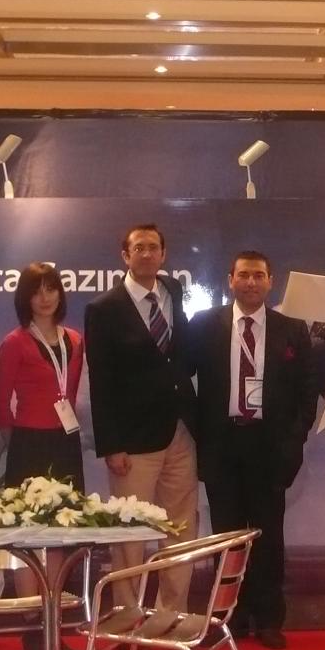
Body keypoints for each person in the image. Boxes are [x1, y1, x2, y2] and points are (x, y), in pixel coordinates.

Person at [187, 251, 319, 650]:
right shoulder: (204, 325)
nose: (250, 282)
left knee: (268, 536)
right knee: (226, 537)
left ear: (270, 281)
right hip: (222, 444)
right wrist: (200, 431)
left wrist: (293, 440)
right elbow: (181, 379)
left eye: (258, 275)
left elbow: (306, 393)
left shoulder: (292, 330)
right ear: (230, 280)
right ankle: (229, 618)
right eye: (243, 275)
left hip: (270, 447)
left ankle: (268, 620)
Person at [83, 223, 199, 612]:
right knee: (130, 534)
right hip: (132, 442)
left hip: (180, 431)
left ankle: (171, 615)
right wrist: (111, 446)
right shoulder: (104, 309)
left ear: (163, 254)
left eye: (153, 247)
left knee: (180, 528)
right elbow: (101, 381)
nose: (147, 254)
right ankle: (127, 615)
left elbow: (178, 357)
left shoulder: (173, 291)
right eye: (139, 248)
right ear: (125, 256)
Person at [0, 260, 85, 650]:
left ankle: (53, 625)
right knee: (29, 536)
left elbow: (72, 392)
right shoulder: (15, 342)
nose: (45, 297)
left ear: (61, 294)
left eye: (51, 288)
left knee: (61, 535)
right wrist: (18, 441)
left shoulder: (76, 340)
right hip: (28, 443)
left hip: (66, 441)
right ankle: (32, 626)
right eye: (36, 290)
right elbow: (0, 403)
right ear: (25, 298)